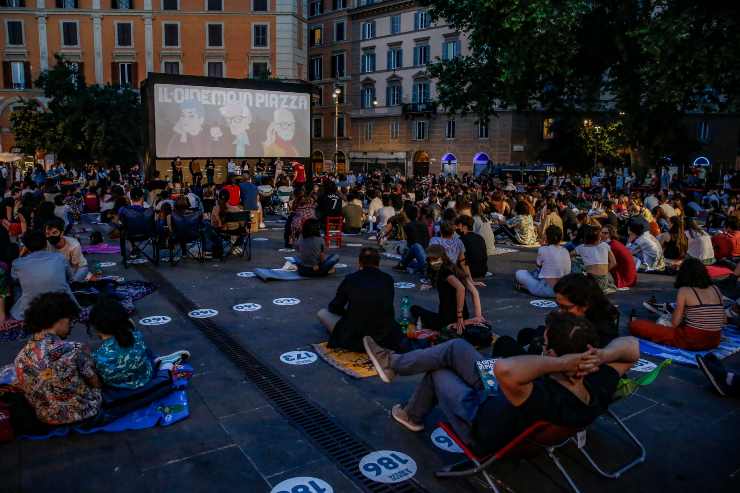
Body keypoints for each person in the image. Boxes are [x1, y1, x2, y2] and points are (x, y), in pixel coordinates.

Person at [362, 313, 639, 454]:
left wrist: (563, 362)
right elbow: (632, 347)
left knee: (437, 371)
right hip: (499, 393)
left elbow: (505, 369)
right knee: (455, 347)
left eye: (545, 346)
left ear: (556, 355)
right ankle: (394, 364)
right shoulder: (598, 383)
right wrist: (602, 356)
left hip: (481, 417)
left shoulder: (545, 395)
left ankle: (412, 414)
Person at [14, 292, 101, 425]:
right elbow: (94, 381)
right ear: (59, 320)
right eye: (70, 320)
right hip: (84, 411)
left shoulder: (20, 358)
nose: (71, 325)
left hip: (46, 417)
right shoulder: (74, 349)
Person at [317, 247, 402, 352]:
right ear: (378, 262)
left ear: (360, 263)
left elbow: (335, 306)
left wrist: (350, 314)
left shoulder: (351, 279)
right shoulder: (388, 279)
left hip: (354, 339)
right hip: (383, 338)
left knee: (322, 313)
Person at [630, 258, 725, 350]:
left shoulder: (685, 290)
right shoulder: (715, 289)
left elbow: (675, 323)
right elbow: (723, 320)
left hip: (692, 340)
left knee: (637, 325)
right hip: (714, 340)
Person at [410, 245, 484, 334]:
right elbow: (474, 291)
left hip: (446, 319)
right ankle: (460, 323)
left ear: (442, 257)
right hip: (464, 316)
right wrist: (478, 316)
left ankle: (453, 325)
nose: (433, 262)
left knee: (415, 309)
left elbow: (461, 288)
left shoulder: (444, 272)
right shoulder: (454, 268)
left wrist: (459, 316)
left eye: (435, 259)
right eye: (431, 260)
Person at [88, 298, 154, 389]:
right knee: (148, 353)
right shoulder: (137, 336)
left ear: (96, 328)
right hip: (145, 378)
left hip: (119, 389)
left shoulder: (99, 356)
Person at [10, 230, 75, 320]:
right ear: (46, 244)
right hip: (61, 305)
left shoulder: (18, 263)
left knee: (17, 285)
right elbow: (70, 278)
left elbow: (14, 279)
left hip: (30, 309)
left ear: (26, 247)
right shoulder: (60, 258)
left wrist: (21, 255)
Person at [514, 225, 570, 298]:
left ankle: (527, 287)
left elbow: (538, 266)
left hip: (546, 290)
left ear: (546, 237)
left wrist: (542, 246)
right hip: (563, 290)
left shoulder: (543, 249)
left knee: (519, 273)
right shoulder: (565, 251)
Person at [573, 225, 617, 294]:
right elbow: (613, 262)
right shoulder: (605, 245)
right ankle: (606, 288)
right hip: (604, 280)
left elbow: (568, 256)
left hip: (592, 280)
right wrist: (605, 272)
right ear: (599, 238)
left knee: (574, 262)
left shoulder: (581, 247)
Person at [44, 217, 89, 283]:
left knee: (72, 281)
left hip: (78, 267)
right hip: (59, 267)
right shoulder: (46, 244)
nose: (51, 236)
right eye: (47, 233)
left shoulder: (74, 245)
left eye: (54, 233)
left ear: (62, 233)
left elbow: (74, 266)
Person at [393, 206, 430, 274]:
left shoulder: (408, 226)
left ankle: (404, 265)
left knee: (410, 250)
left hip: (420, 256)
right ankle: (417, 267)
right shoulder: (423, 225)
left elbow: (410, 244)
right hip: (425, 252)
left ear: (407, 215)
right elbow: (427, 240)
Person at [600, 225, 637, 289]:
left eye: (605, 233)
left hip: (624, 280)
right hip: (631, 278)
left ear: (611, 234)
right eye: (601, 233)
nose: (602, 235)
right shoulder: (614, 243)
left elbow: (611, 263)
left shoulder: (611, 246)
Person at [455, 215, 488, 279]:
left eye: (458, 226)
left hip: (469, 272)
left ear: (464, 227)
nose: (456, 228)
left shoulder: (460, 240)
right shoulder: (480, 238)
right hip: (482, 271)